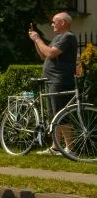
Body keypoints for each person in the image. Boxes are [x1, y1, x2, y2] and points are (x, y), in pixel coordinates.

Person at [29, 12, 77, 153]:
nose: (51, 24)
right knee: (53, 114)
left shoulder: (68, 37)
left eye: (54, 22)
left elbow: (51, 53)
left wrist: (38, 39)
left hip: (59, 80)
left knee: (61, 113)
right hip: (52, 80)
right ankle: (56, 147)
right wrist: (35, 41)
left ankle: (70, 148)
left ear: (63, 22)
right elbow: (43, 55)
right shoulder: (58, 38)